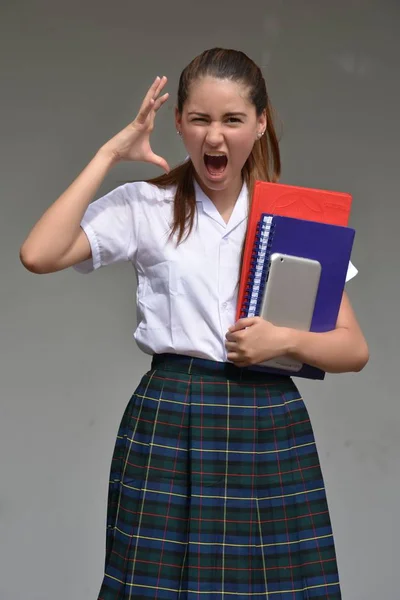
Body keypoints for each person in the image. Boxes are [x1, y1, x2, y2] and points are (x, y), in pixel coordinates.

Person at [20, 47, 369, 599]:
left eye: (232, 120)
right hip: (170, 416)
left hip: (269, 422)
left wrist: (284, 341)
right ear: (178, 123)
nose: (215, 137)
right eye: (200, 119)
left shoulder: (296, 218)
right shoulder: (145, 204)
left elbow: (354, 349)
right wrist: (112, 152)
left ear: (260, 124)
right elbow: (38, 253)